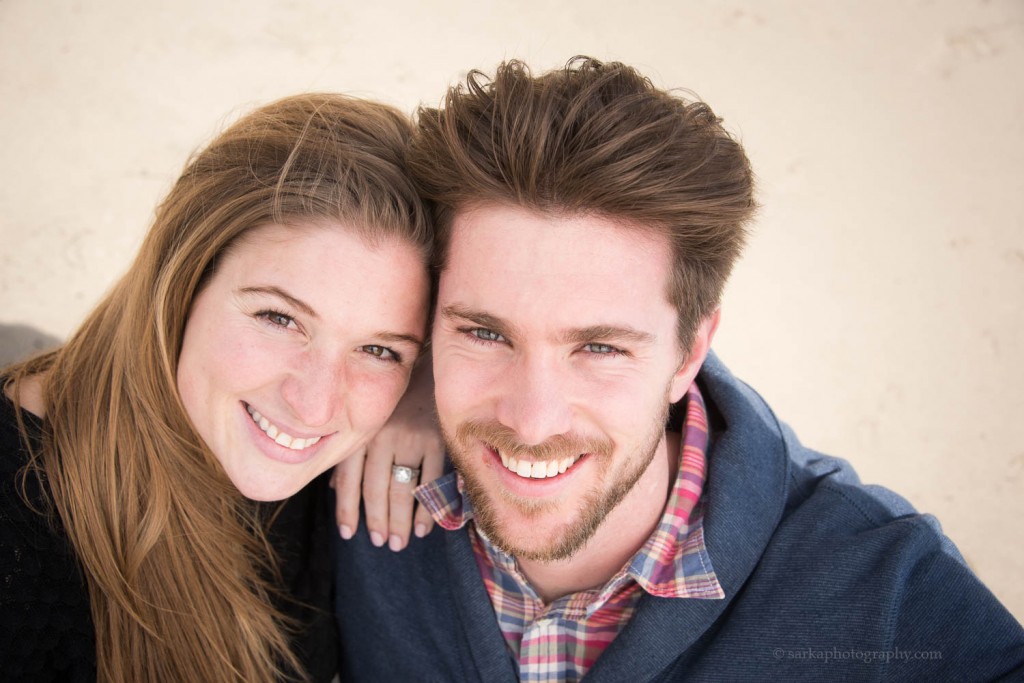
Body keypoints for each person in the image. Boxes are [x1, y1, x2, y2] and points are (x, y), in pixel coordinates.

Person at [331, 57, 1024, 681]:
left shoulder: (882, 582)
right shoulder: (343, 501)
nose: (531, 419)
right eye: (484, 333)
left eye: (600, 347)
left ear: (690, 351)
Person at [1, 93, 441, 682]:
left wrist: (433, 399)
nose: (314, 404)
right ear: (181, 280)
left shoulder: (344, 466)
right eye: (278, 318)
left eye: (379, 349)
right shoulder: (22, 543)